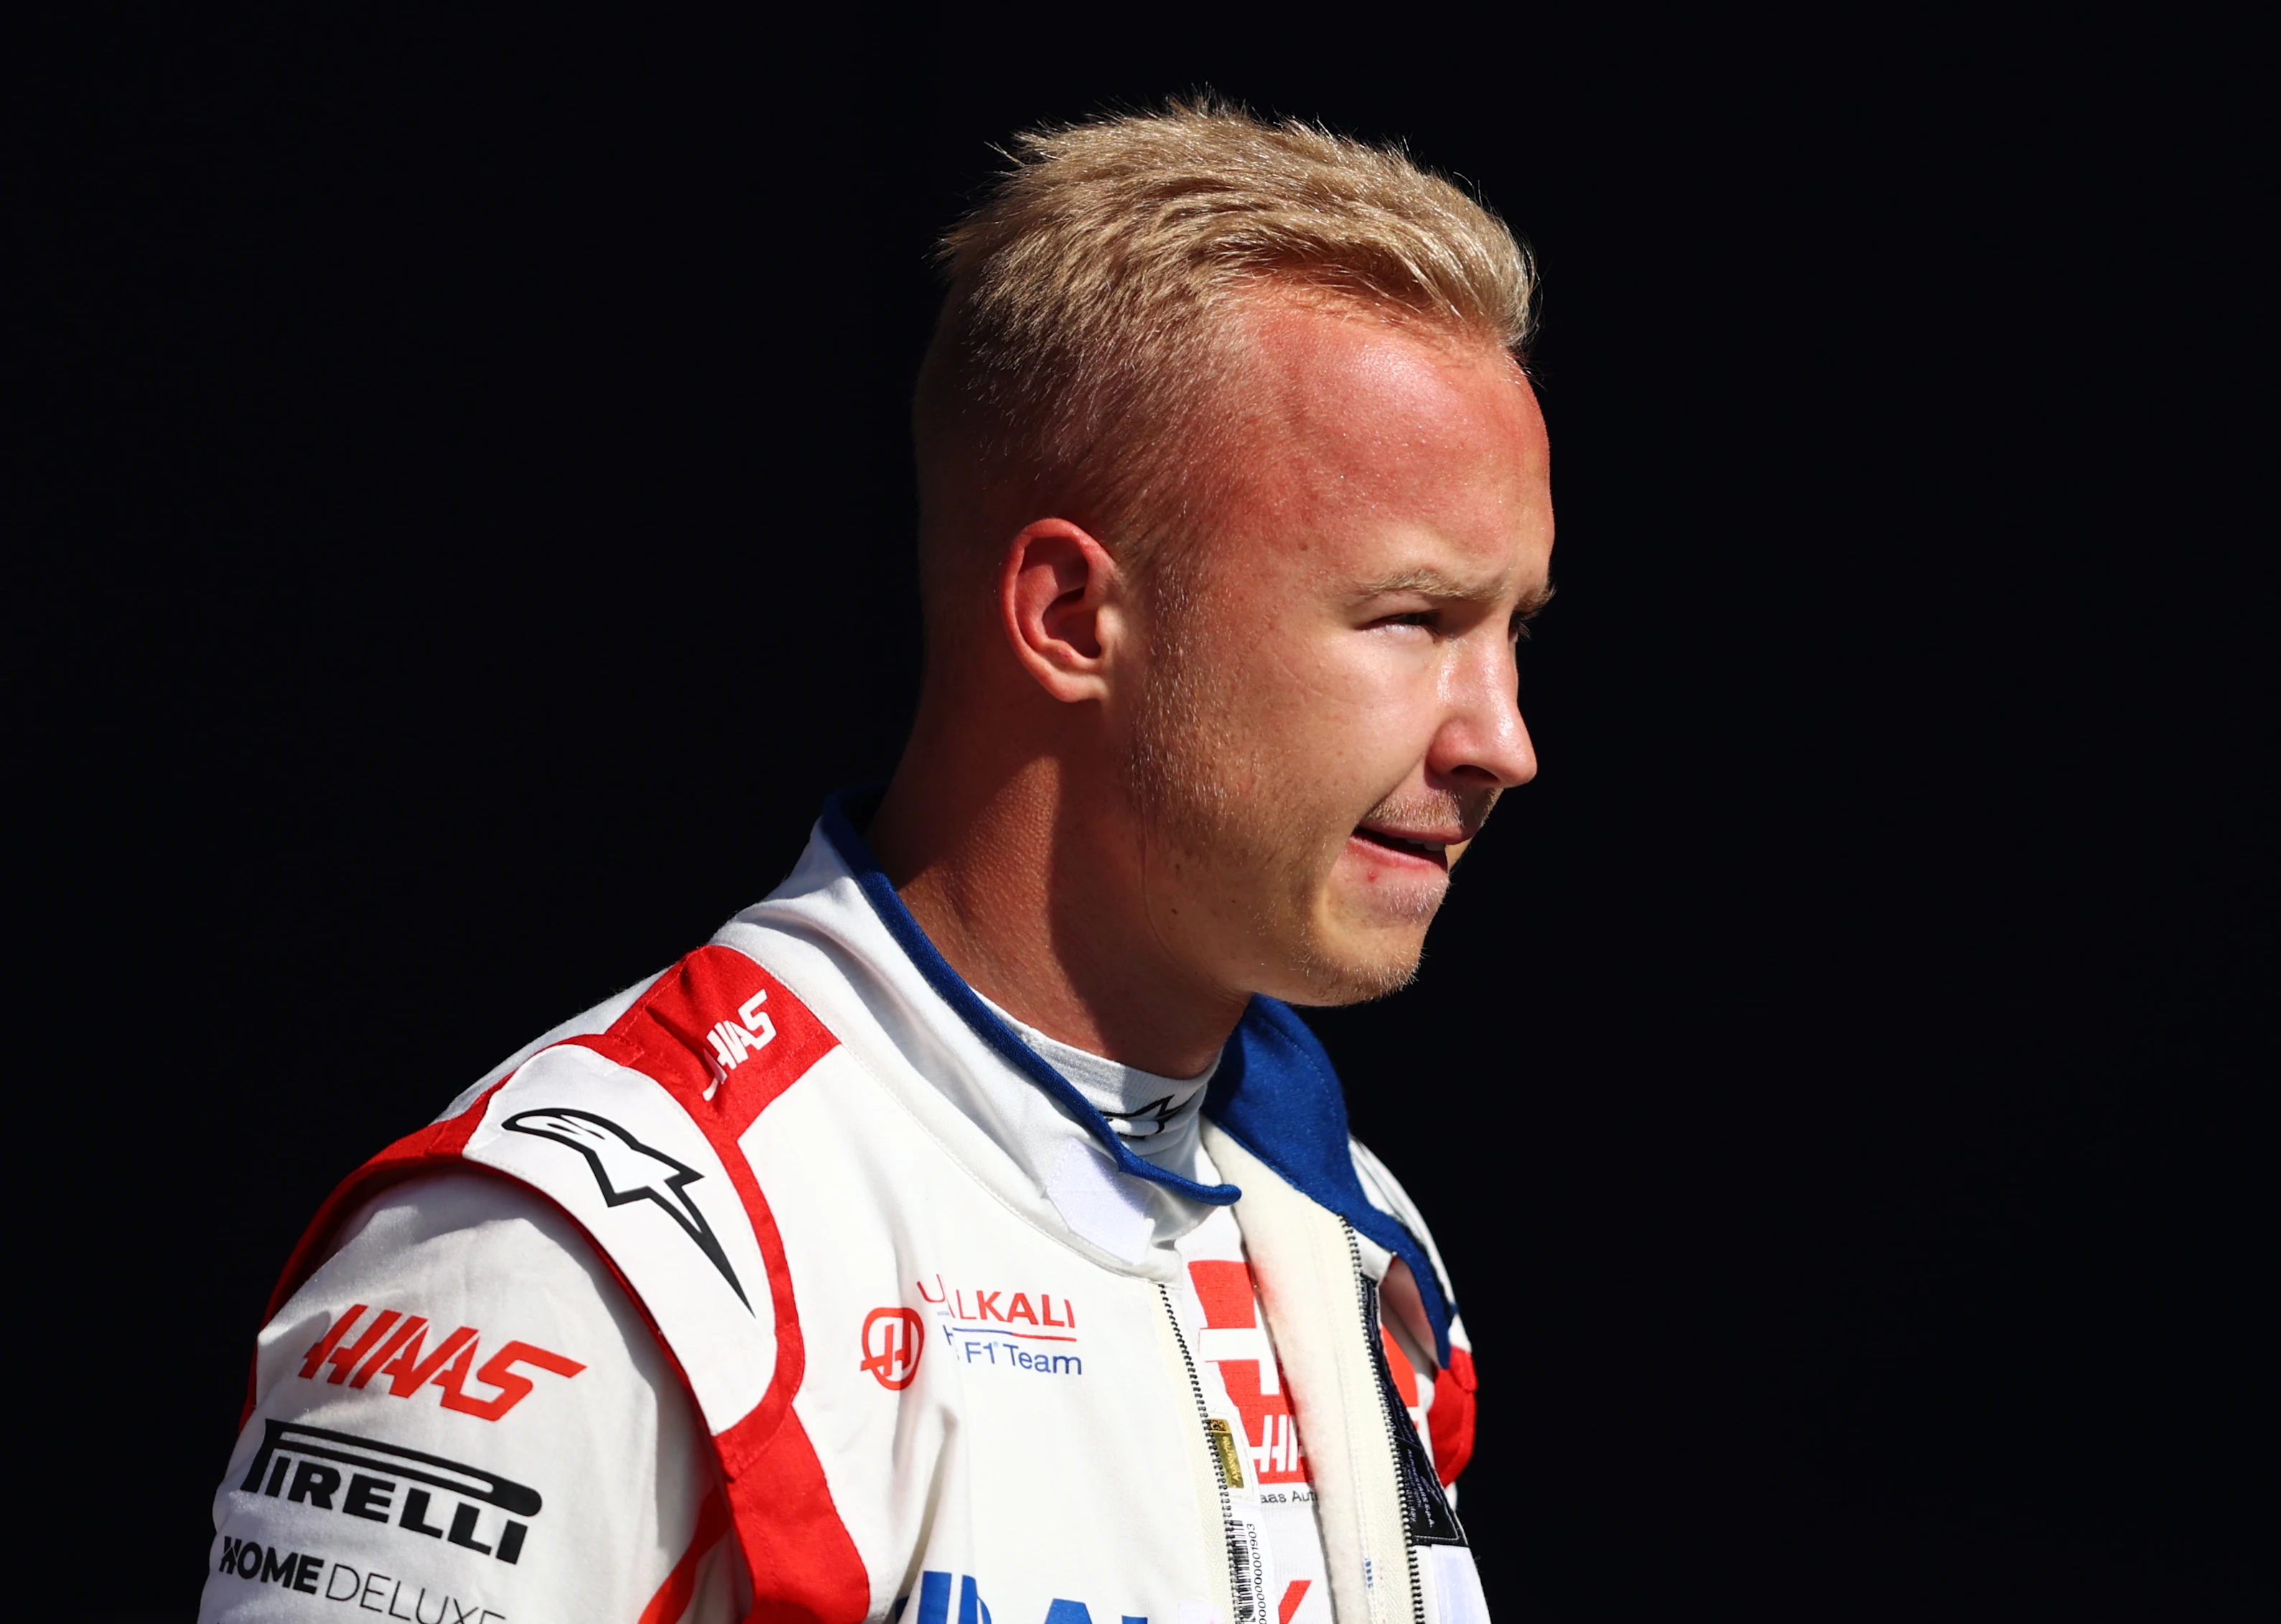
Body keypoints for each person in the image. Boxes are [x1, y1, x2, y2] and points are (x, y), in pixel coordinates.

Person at [200, 103, 1552, 1624]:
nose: (1503, 740)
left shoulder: (1350, 1227)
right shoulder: (581, 1246)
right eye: (1410, 621)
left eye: (1516, 632)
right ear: (1065, 616)